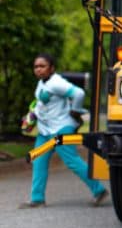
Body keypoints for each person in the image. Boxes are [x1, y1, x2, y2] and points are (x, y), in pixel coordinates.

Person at [19, 53, 109, 208]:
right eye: (36, 67)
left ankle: (99, 190)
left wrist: (75, 111)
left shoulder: (56, 82)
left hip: (61, 128)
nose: (38, 69)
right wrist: (30, 117)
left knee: (71, 161)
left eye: (42, 66)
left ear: (51, 68)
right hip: (45, 130)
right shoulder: (42, 82)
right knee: (39, 161)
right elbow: (41, 103)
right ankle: (37, 199)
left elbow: (78, 93)